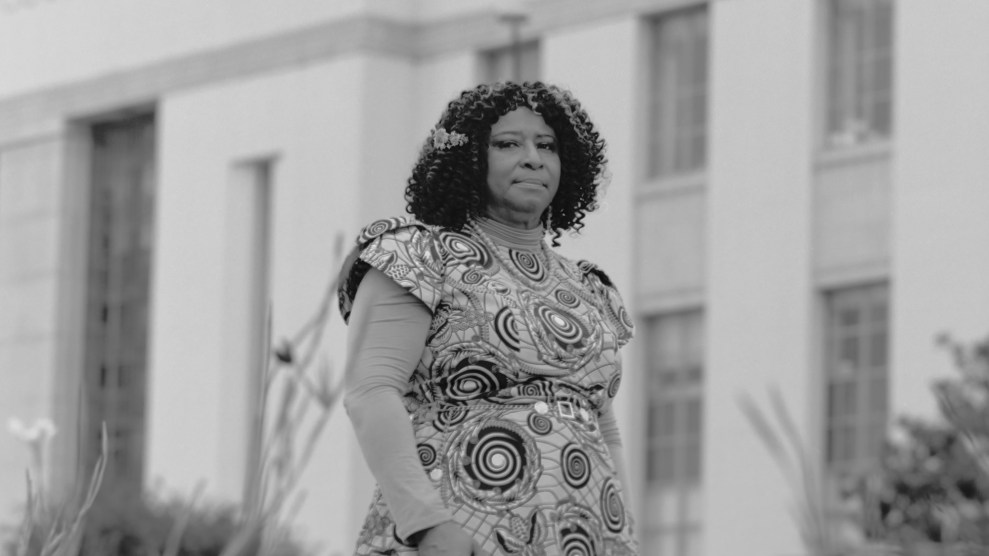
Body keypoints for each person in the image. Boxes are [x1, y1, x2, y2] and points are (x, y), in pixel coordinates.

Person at [338, 81, 637, 556]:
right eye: (507, 144)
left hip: (584, 535)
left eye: (547, 146)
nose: (533, 158)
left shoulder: (587, 287)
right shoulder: (419, 254)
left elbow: (604, 425)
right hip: (457, 533)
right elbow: (370, 391)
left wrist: (625, 536)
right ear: (468, 160)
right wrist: (429, 525)